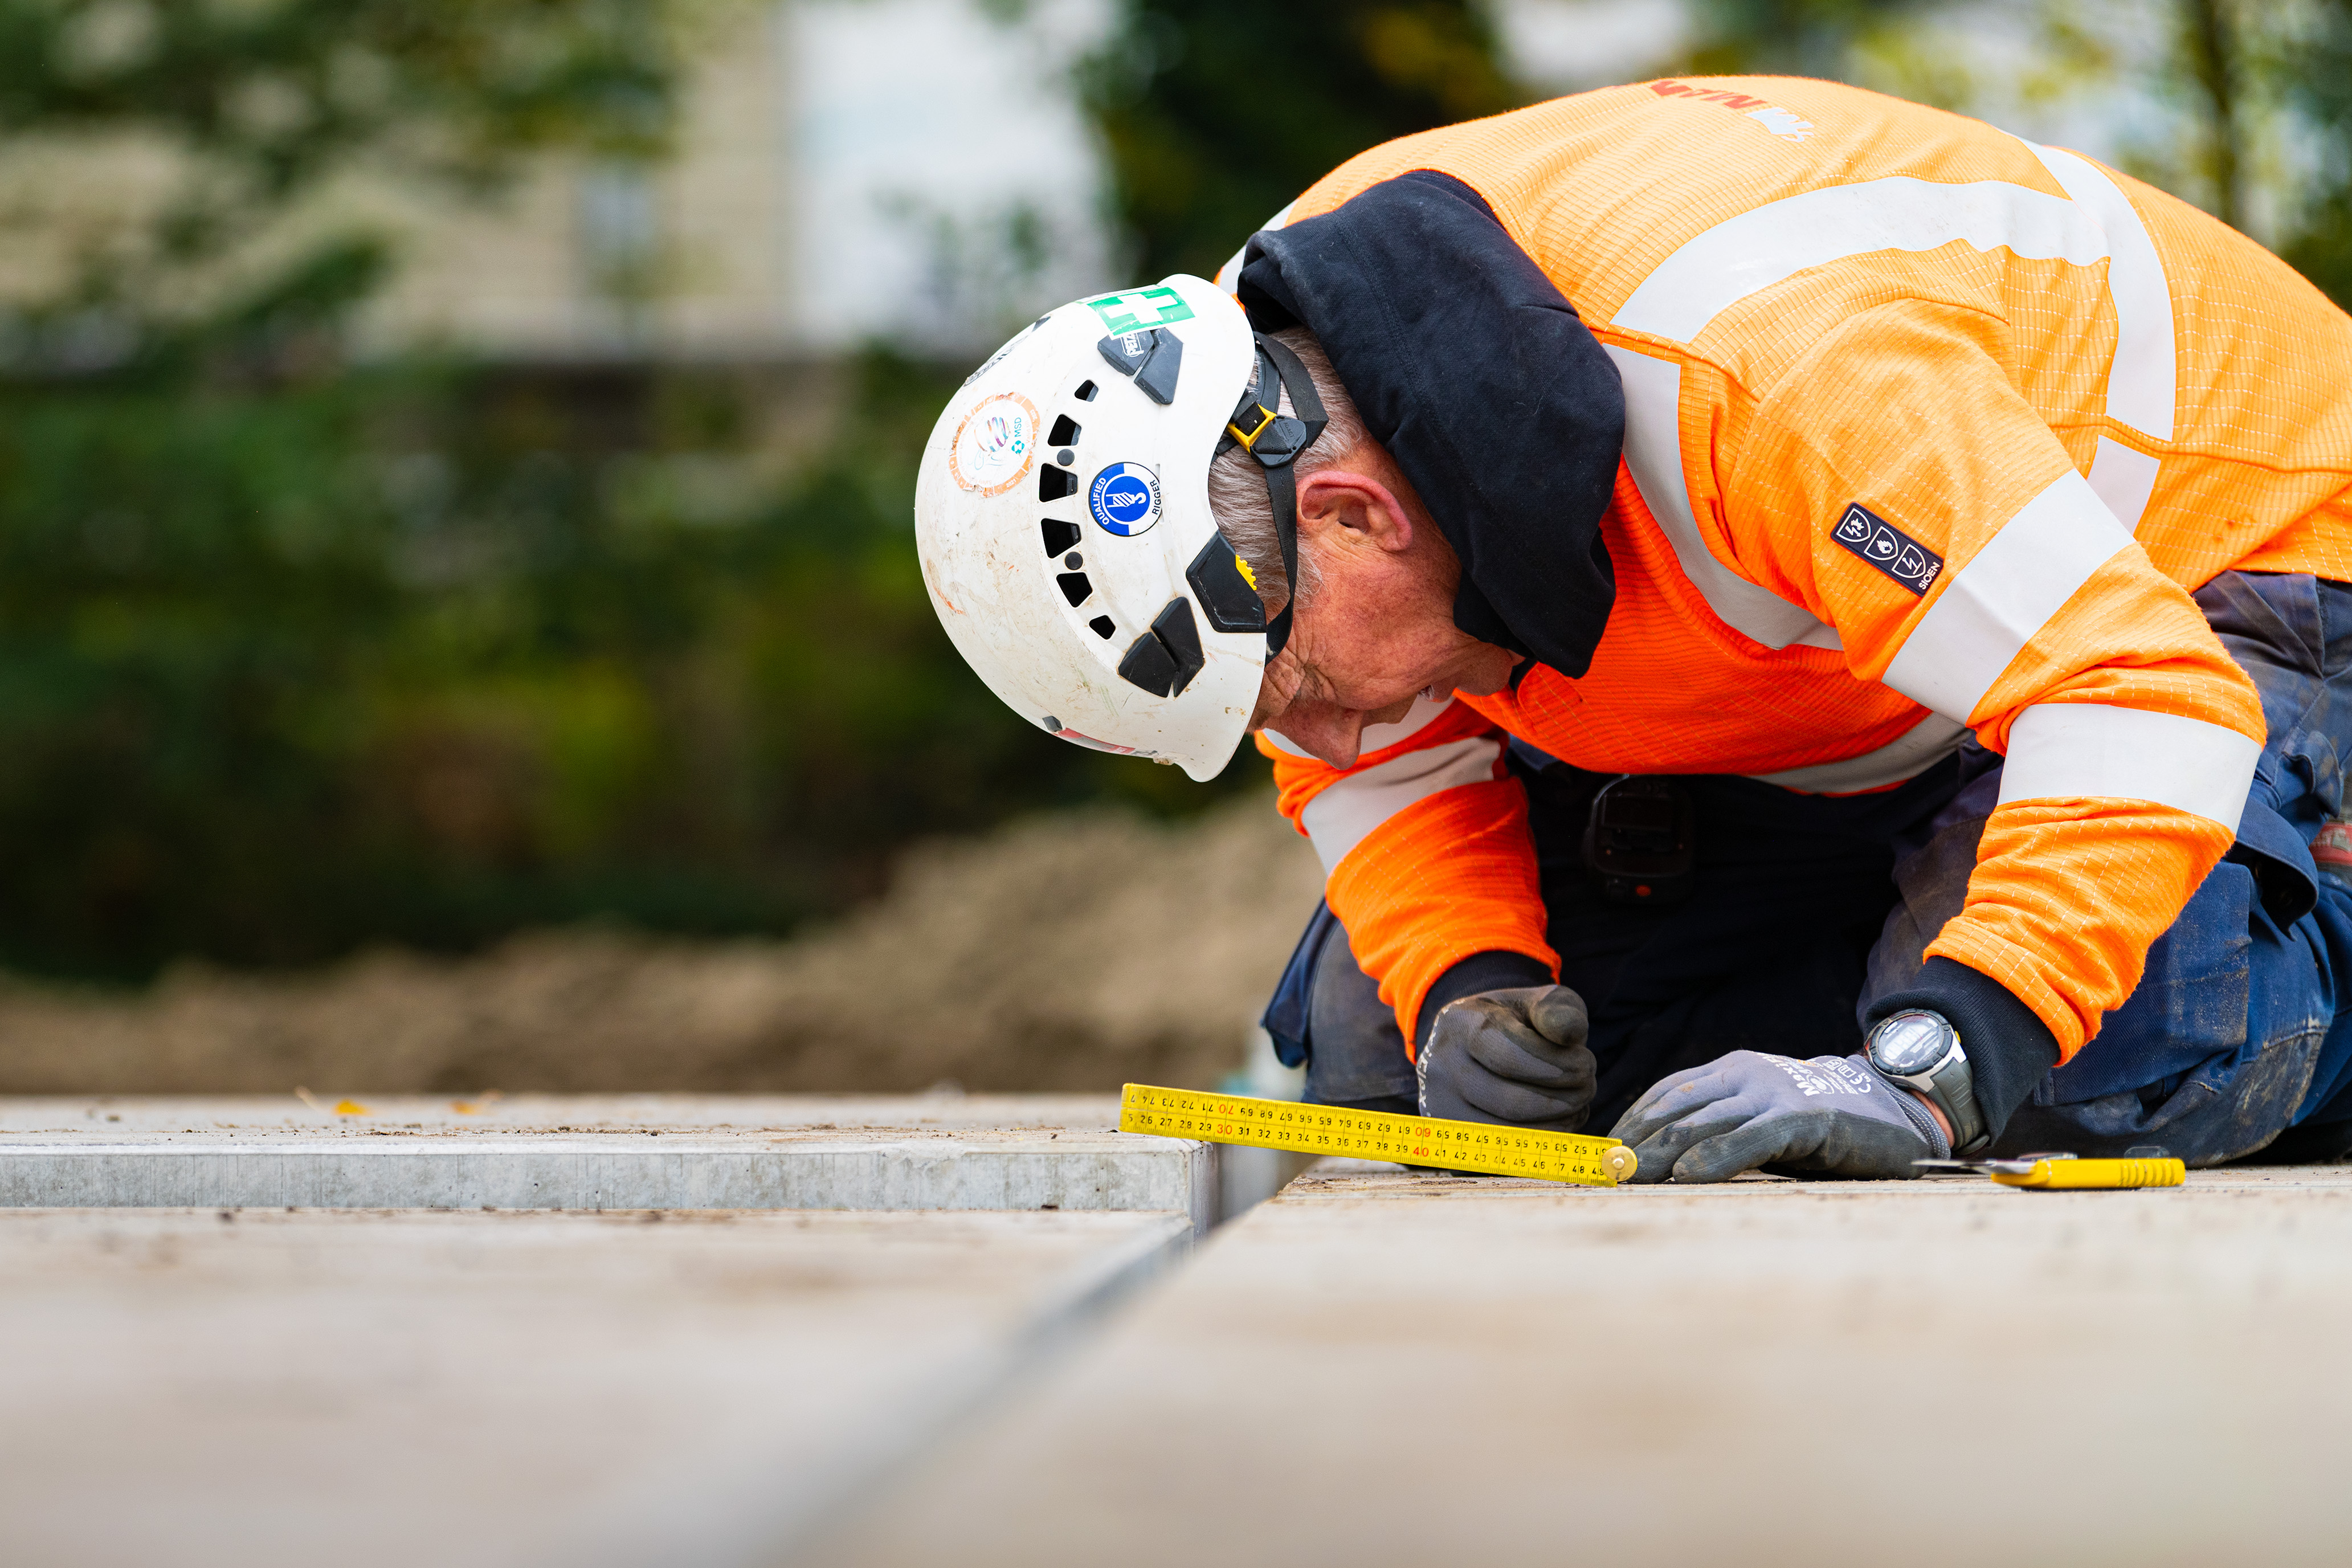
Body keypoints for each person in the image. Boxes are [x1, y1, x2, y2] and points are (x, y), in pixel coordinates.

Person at [913, 76, 2352, 1181]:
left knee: (2099, 1035)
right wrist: (1471, 985)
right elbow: (1378, 769)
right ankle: (1902, 939)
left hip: (2224, 590)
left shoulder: (1770, 373)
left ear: (1356, 516)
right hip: (1893, 671)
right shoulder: (1269, 380)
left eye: (1284, 687)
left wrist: (1928, 1060)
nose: (1319, 745)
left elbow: (2134, 691)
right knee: (1383, 1053)